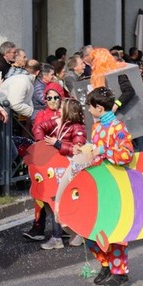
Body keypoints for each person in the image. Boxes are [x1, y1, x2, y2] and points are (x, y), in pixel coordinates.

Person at [74, 87, 134, 286]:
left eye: (90, 107)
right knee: (90, 227)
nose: (89, 110)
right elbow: (95, 150)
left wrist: (103, 150)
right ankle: (106, 263)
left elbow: (127, 154)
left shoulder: (118, 127)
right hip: (97, 183)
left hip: (115, 185)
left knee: (115, 230)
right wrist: (85, 150)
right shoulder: (97, 127)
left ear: (99, 108)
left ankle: (120, 272)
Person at [33, 98, 87, 250]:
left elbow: (77, 150)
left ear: (69, 111)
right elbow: (39, 127)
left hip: (69, 170)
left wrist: (57, 144)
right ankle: (64, 235)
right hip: (56, 169)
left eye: (62, 107)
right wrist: (41, 144)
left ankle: (68, 235)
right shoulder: (59, 122)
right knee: (53, 202)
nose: (58, 108)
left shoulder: (78, 128)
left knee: (59, 202)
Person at [23, 82, 65, 241]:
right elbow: (37, 131)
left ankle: (65, 227)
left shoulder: (67, 112)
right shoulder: (41, 114)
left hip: (64, 158)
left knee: (62, 194)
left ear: (61, 98)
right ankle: (39, 227)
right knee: (42, 193)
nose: (52, 101)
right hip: (47, 160)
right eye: (49, 98)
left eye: (56, 97)